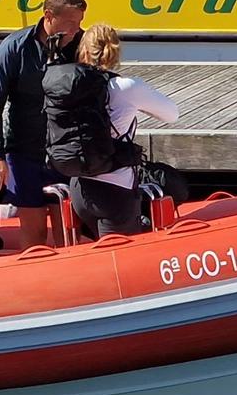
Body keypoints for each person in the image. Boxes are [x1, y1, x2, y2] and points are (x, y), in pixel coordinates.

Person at [0, 0, 88, 249]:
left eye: (79, 24)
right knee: (34, 231)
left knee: (68, 230)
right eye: (70, 23)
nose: (75, 30)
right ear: (48, 16)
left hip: (66, 149)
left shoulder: (80, 44)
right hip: (24, 148)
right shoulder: (15, 47)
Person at [64, 23, 180, 240]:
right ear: (115, 52)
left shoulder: (68, 85)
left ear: (83, 51)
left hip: (79, 186)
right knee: (118, 257)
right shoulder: (126, 87)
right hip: (115, 189)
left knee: (97, 251)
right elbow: (172, 114)